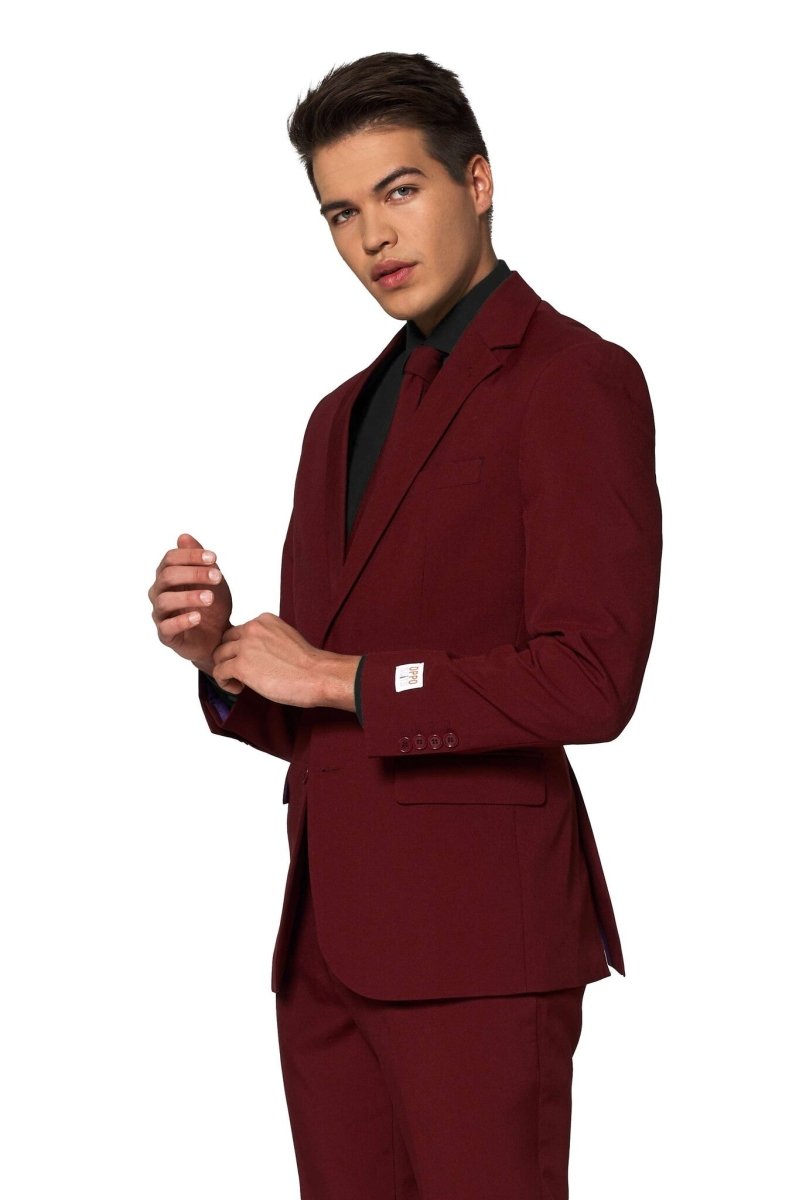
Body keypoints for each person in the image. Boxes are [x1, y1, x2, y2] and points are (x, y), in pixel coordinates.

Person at [148, 51, 662, 1200]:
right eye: (340, 212)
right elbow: (320, 709)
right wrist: (222, 658)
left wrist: (337, 677)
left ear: (475, 181)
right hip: (324, 946)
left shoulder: (574, 380)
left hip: (478, 946)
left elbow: (590, 677)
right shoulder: (335, 418)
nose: (371, 236)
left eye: (398, 190)